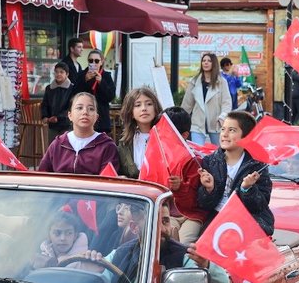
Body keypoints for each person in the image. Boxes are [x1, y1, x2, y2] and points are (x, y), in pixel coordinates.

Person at [77, 199, 229, 283]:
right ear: (135, 228)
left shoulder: (183, 255)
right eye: (154, 224)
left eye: (165, 221)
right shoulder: (119, 254)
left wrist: (206, 265)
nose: (163, 229)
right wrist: (93, 273)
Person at [196, 111, 275, 235]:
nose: (224, 134)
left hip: (246, 220)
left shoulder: (257, 165)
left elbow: (260, 205)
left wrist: (247, 189)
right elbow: (204, 204)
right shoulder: (210, 162)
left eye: (232, 130)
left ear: (246, 137)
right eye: (223, 129)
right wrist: (209, 189)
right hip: (217, 219)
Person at [38, 92, 121, 174]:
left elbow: (108, 181)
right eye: (79, 108)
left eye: (91, 109)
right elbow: (42, 174)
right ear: (70, 115)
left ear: (96, 117)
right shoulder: (58, 144)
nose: (85, 112)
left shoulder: (107, 146)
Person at [162, 106, 209, 243]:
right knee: (164, 237)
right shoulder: (159, 156)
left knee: (183, 245)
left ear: (184, 135)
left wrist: (180, 187)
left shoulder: (195, 161)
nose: (164, 136)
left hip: (192, 215)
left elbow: (195, 201)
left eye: (168, 132)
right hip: (168, 213)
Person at [181, 52, 232, 145]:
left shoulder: (221, 82)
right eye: (204, 61)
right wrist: (180, 120)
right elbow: (187, 104)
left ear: (214, 63)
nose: (206, 63)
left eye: (209, 61)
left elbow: (227, 102)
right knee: (198, 152)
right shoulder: (194, 81)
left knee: (218, 153)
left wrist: (223, 116)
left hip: (216, 123)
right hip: (197, 124)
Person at [30, 209, 100, 272]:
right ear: (49, 235)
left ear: (75, 236)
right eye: (57, 233)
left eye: (68, 233)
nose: (63, 238)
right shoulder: (38, 260)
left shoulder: (87, 260)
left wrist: (96, 264)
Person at [117, 87, 163, 179]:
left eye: (149, 104)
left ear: (156, 108)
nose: (144, 109)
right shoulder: (125, 143)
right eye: (138, 105)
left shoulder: (165, 138)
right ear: (131, 112)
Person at [73, 49, 116, 134]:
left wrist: (101, 82)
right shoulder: (82, 74)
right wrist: (85, 80)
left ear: (101, 62)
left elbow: (110, 96)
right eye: (90, 60)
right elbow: (74, 94)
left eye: (96, 61)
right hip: (84, 115)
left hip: (101, 117)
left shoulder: (106, 76)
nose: (93, 63)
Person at [40, 61, 73, 137]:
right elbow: (45, 104)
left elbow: (71, 107)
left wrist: (58, 117)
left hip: (66, 124)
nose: (58, 74)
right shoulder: (49, 88)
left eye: (61, 72)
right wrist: (45, 116)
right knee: (53, 146)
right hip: (52, 125)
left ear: (67, 74)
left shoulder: (71, 88)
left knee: (66, 147)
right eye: (56, 72)